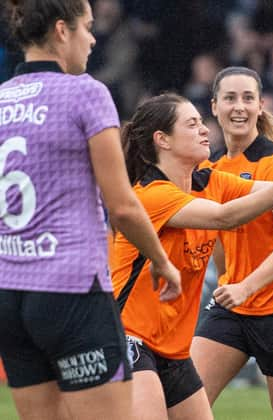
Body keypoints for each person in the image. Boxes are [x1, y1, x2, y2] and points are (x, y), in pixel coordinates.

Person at [0, 1, 181, 419]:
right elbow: (121, 206)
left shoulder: (3, 98)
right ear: (62, 30)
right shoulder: (86, 93)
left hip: (10, 295)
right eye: (87, 27)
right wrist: (160, 260)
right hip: (71, 292)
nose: (93, 38)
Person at [110, 93, 273, 420]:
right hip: (129, 339)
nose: (205, 130)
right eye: (192, 124)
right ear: (162, 140)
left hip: (174, 351)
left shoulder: (210, 179)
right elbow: (225, 217)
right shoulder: (152, 194)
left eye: (202, 121)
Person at [191, 66, 273, 420]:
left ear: (260, 106)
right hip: (233, 309)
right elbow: (217, 237)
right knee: (184, 405)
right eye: (230, 98)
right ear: (214, 106)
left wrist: (245, 286)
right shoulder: (212, 167)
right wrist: (229, 281)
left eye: (248, 98)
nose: (239, 107)